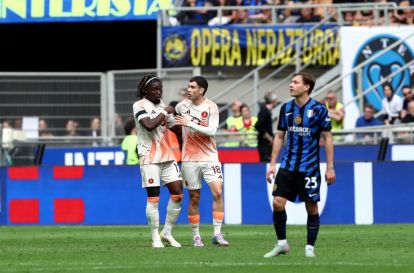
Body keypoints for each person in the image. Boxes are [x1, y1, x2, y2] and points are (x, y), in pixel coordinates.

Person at [264, 72, 336, 258]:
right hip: (287, 166)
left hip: (309, 168)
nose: (291, 85)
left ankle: (309, 248)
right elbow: (280, 136)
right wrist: (272, 164)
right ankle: (282, 244)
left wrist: (330, 167)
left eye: (295, 82)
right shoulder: (286, 108)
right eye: (291, 81)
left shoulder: (319, 109)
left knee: (311, 207)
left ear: (306, 87)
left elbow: (327, 138)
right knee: (278, 203)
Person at [175, 76, 229, 247]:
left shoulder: (211, 107)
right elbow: (172, 117)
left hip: (210, 157)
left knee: (218, 192)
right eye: (188, 86)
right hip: (189, 159)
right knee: (194, 197)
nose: (189, 90)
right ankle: (196, 236)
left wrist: (189, 122)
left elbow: (212, 131)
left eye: (192, 87)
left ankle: (217, 234)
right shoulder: (181, 106)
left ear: (201, 90)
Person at [133, 74, 183, 248]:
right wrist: (165, 111)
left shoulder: (162, 106)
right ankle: (155, 237)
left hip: (167, 156)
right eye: (154, 89)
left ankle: (167, 232)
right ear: (145, 90)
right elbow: (149, 125)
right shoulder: (139, 105)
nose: (158, 92)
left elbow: (174, 127)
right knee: (153, 198)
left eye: (160, 89)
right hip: (149, 157)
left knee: (178, 194)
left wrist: (192, 127)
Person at [255, 92, 278, 162]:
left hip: (266, 143)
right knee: (266, 161)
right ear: (273, 101)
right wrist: (268, 137)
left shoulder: (266, 111)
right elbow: (258, 125)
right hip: (264, 143)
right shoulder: (264, 111)